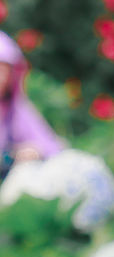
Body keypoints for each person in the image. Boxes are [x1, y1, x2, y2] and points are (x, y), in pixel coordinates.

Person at [0, 30, 65, 179]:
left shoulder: (15, 109)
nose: (2, 78)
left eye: (6, 71)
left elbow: (53, 146)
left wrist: (33, 151)